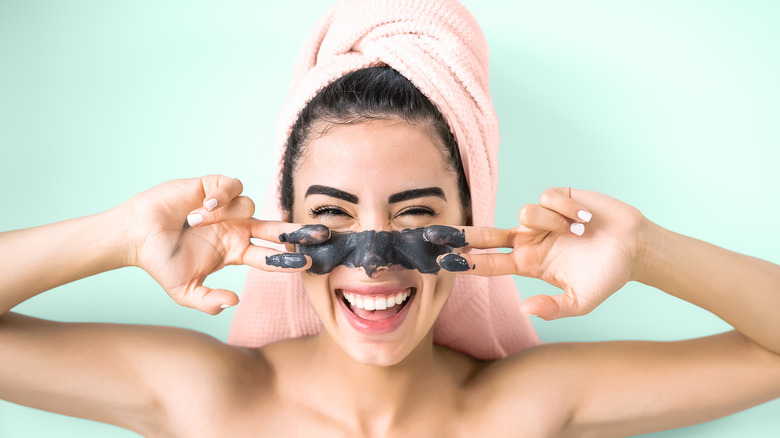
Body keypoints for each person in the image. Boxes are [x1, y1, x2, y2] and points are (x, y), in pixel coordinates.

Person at [2, 1, 780, 437]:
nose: (372, 264)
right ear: (278, 231)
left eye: (417, 215)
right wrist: (120, 236)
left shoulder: (525, 408)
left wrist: (647, 251)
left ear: (472, 228)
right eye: (330, 218)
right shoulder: (211, 402)